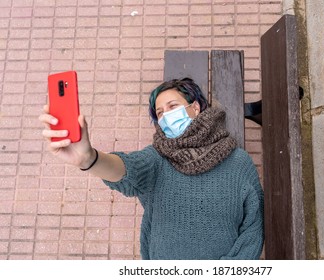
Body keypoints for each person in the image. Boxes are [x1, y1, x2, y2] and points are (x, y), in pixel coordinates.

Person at [39, 77, 264, 260]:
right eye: (159, 113)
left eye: (172, 106)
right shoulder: (157, 159)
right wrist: (89, 159)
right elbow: (128, 169)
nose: (166, 115)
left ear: (195, 107)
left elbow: (254, 226)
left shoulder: (237, 161)